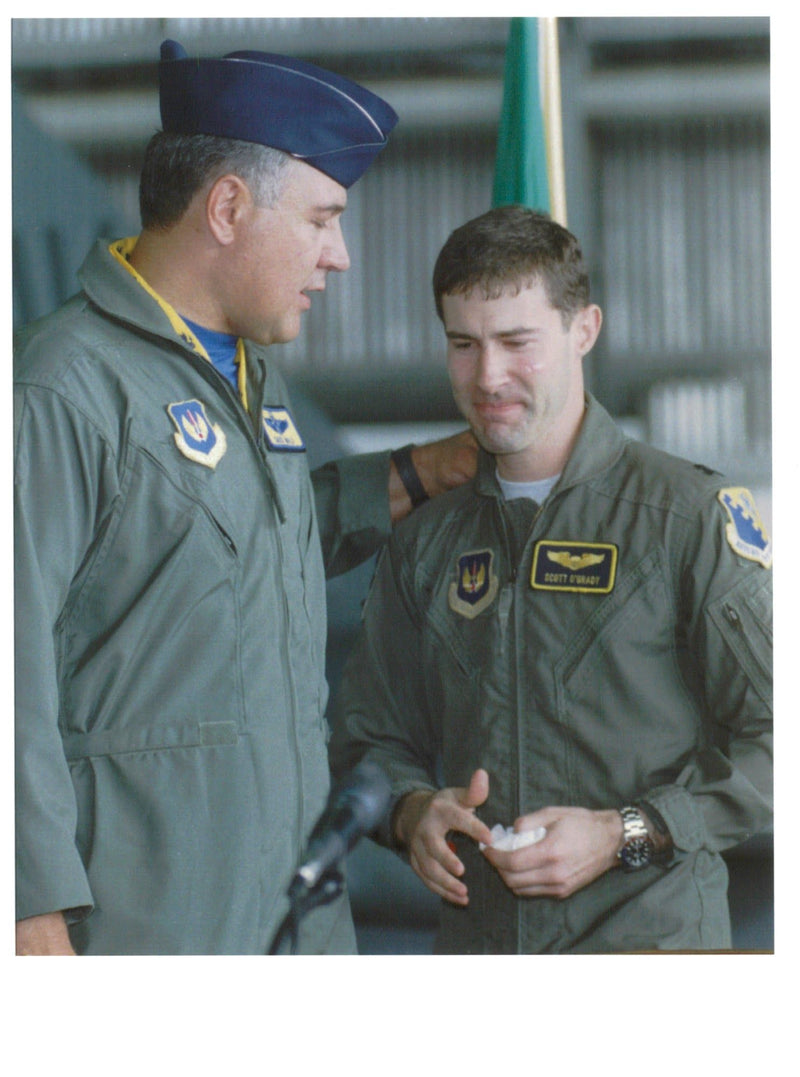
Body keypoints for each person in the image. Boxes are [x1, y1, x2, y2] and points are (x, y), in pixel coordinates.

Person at [14, 40, 476, 956]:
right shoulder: (63, 388)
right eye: (321, 218)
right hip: (146, 933)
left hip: (292, 918)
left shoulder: (245, 375)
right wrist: (29, 915)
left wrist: (429, 470)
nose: (339, 255)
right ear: (227, 207)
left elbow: (229, 536)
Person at [330, 204, 773, 953]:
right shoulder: (426, 542)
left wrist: (626, 832)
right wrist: (412, 815)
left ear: (584, 330)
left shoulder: (684, 518)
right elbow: (369, 740)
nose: (487, 376)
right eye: (463, 344)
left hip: (656, 963)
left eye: (516, 342)